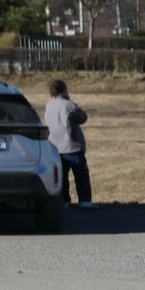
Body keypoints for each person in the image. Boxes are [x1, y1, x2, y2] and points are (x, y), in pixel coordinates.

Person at [45, 78, 93, 209]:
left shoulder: (49, 105)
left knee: (62, 177)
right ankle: (84, 201)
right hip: (72, 146)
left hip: (55, 146)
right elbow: (83, 117)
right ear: (64, 90)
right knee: (81, 175)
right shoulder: (68, 104)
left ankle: (65, 201)